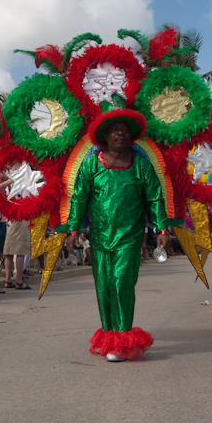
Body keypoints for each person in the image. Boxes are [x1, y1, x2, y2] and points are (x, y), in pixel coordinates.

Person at [66, 109, 171, 362]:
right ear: (105, 136)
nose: (120, 133)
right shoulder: (92, 164)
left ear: (132, 136)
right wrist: (73, 229)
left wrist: (161, 229)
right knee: (103, 286)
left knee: (122, 283)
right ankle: (109, 334)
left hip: (130, 236)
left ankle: (122, 339)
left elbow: (155, 198)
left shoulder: (141, 165)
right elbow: (79, 198)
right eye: (115, 130)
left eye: (124, 130)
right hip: (100, 236)